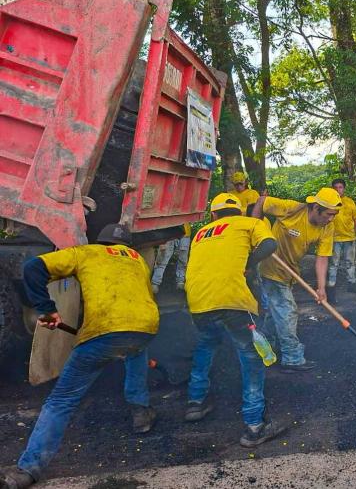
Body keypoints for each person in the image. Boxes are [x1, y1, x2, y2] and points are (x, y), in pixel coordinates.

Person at [2, 224, 159, 489]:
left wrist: (47, 309)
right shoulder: (138, 261)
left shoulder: (85, 252)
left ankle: (27, 470)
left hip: (104, 333)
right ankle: (141, 412)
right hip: (145, 328)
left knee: (61, 400)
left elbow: (33, 268)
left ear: (100, 241)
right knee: (135, 352)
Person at [183, 193, 283, 448]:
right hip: (233, 301)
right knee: (251, 355)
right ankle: (254, 425)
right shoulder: (250, 223)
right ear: (239, 211)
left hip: (199, 303)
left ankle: (196, 403)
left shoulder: (200, 233)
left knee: (206, 345)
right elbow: (270, 245)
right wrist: (250, 262)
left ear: (213, 215)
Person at [252, 187, 341, 373]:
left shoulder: (327, 226)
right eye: (328, 214)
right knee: (287, 310)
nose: (331, 218)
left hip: (290, 271)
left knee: (275, 312)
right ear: (316, 208)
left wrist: (321, 288)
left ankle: (264, 347)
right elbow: (261, 201)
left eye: (334, 215)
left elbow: (322, 257)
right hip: (271, 265)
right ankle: (292, 357)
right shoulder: (292, 209)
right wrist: (253, 229)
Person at [326, 178, 356, 303]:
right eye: (336, 187)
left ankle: (352, 284)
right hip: (334, 237)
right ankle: (331, 286)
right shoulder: (329, 202)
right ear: (332, 189)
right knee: (334, 264)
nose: (338, 190)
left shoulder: (349, 202)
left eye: (340, 187)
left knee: (350, 262)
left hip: (349, 237)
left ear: (344, 188)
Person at [150, 223, 191, 294]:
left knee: (183, 260)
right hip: (168, 232)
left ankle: (180, 284)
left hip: (185, 233)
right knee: (162, 259)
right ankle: (154, 284)